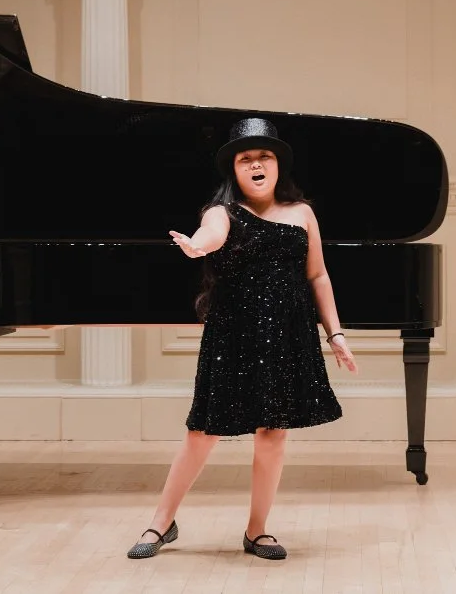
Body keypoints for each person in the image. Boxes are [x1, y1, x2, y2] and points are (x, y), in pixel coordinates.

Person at [127, 118, 358, 560]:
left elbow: (318, 275)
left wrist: (336, 333)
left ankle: (257, 531)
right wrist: (196, 246)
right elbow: (210, 237)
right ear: (234, 170)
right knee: (202, 434)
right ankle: (161, 523)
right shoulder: (222, 213)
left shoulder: (302, 213)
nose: (256, 164)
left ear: (277, 166)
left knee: (273, 435)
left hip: (288, 337)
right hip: (234, 336)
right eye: (245, 159)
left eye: (264, 157)